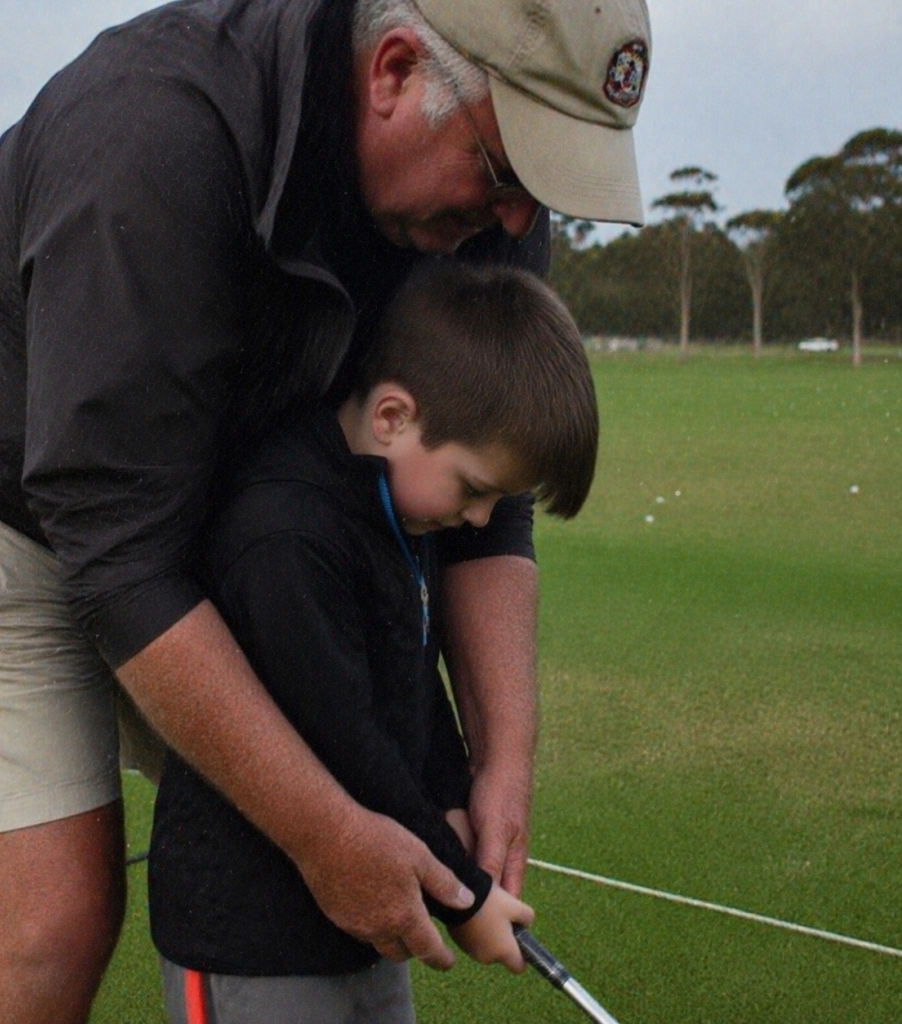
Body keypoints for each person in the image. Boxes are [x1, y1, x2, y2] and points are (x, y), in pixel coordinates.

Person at [0, 0, 650, 1019]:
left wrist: (501, 755)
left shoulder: (483, 213)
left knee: (330, 809)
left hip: (224, 497)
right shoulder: (155, 138)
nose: (518, 222)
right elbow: (122, 564)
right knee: (51, 918)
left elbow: (492, 505)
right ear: (393, 71)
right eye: (506, 170)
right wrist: (329, 833)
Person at [149, 262, 598, 1024]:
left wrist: (454, 796)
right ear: (392, 416)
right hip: (251, 944)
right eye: (474, 487)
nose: (484, 521)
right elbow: (348, 740)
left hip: (364, 923)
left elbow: (415, 681)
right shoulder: (286, 534)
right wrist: (466, 896)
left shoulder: (401, 507)